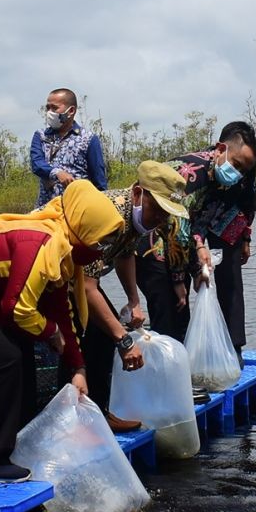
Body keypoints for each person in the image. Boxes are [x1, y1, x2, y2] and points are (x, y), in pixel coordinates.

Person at [0, 180, 122, 481]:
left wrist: (78, 367)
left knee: (16, 354)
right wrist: (49, 332)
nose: (101, 249)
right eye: (100, 241)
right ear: (83, 228)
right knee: (3, 359)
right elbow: (17, 308)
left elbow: (63, 312)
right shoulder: (41, 243)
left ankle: (12, 447)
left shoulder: (61, 250)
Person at [60, 160, 189, 432]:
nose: (161, 220)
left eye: (167, 214)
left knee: (102, 333)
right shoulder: (111, 216)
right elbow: (86, 288)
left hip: (76, 278)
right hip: (54, 274)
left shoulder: (135, 218)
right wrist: (124, 339)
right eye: (159, 210)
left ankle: (95, 413)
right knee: (92, 334)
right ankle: (75, 421)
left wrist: (134, 300)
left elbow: (124, 254)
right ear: (139, 193)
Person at [138, 121, 256, 356]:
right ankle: (173, 353)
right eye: (236, 165)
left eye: (244, 169)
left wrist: (245, 238)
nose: (239, 174)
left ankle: (231, 346)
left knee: (228, 269)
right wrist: (183, 274)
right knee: (173, 295)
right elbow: (177, 227)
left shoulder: (244, 170)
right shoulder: (188, 174)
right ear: (220, 149)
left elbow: (248, 201)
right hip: (159, 232)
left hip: (206, 224)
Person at [29, 88, 107, 206]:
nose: (49, 112)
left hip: (77, 209)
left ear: (71, 111)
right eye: (48, 108)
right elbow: (37, 164)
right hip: (45, 209)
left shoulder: (89, 139)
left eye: (54, 108)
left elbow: (99, 181)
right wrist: (57, 173)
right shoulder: (41, 136)